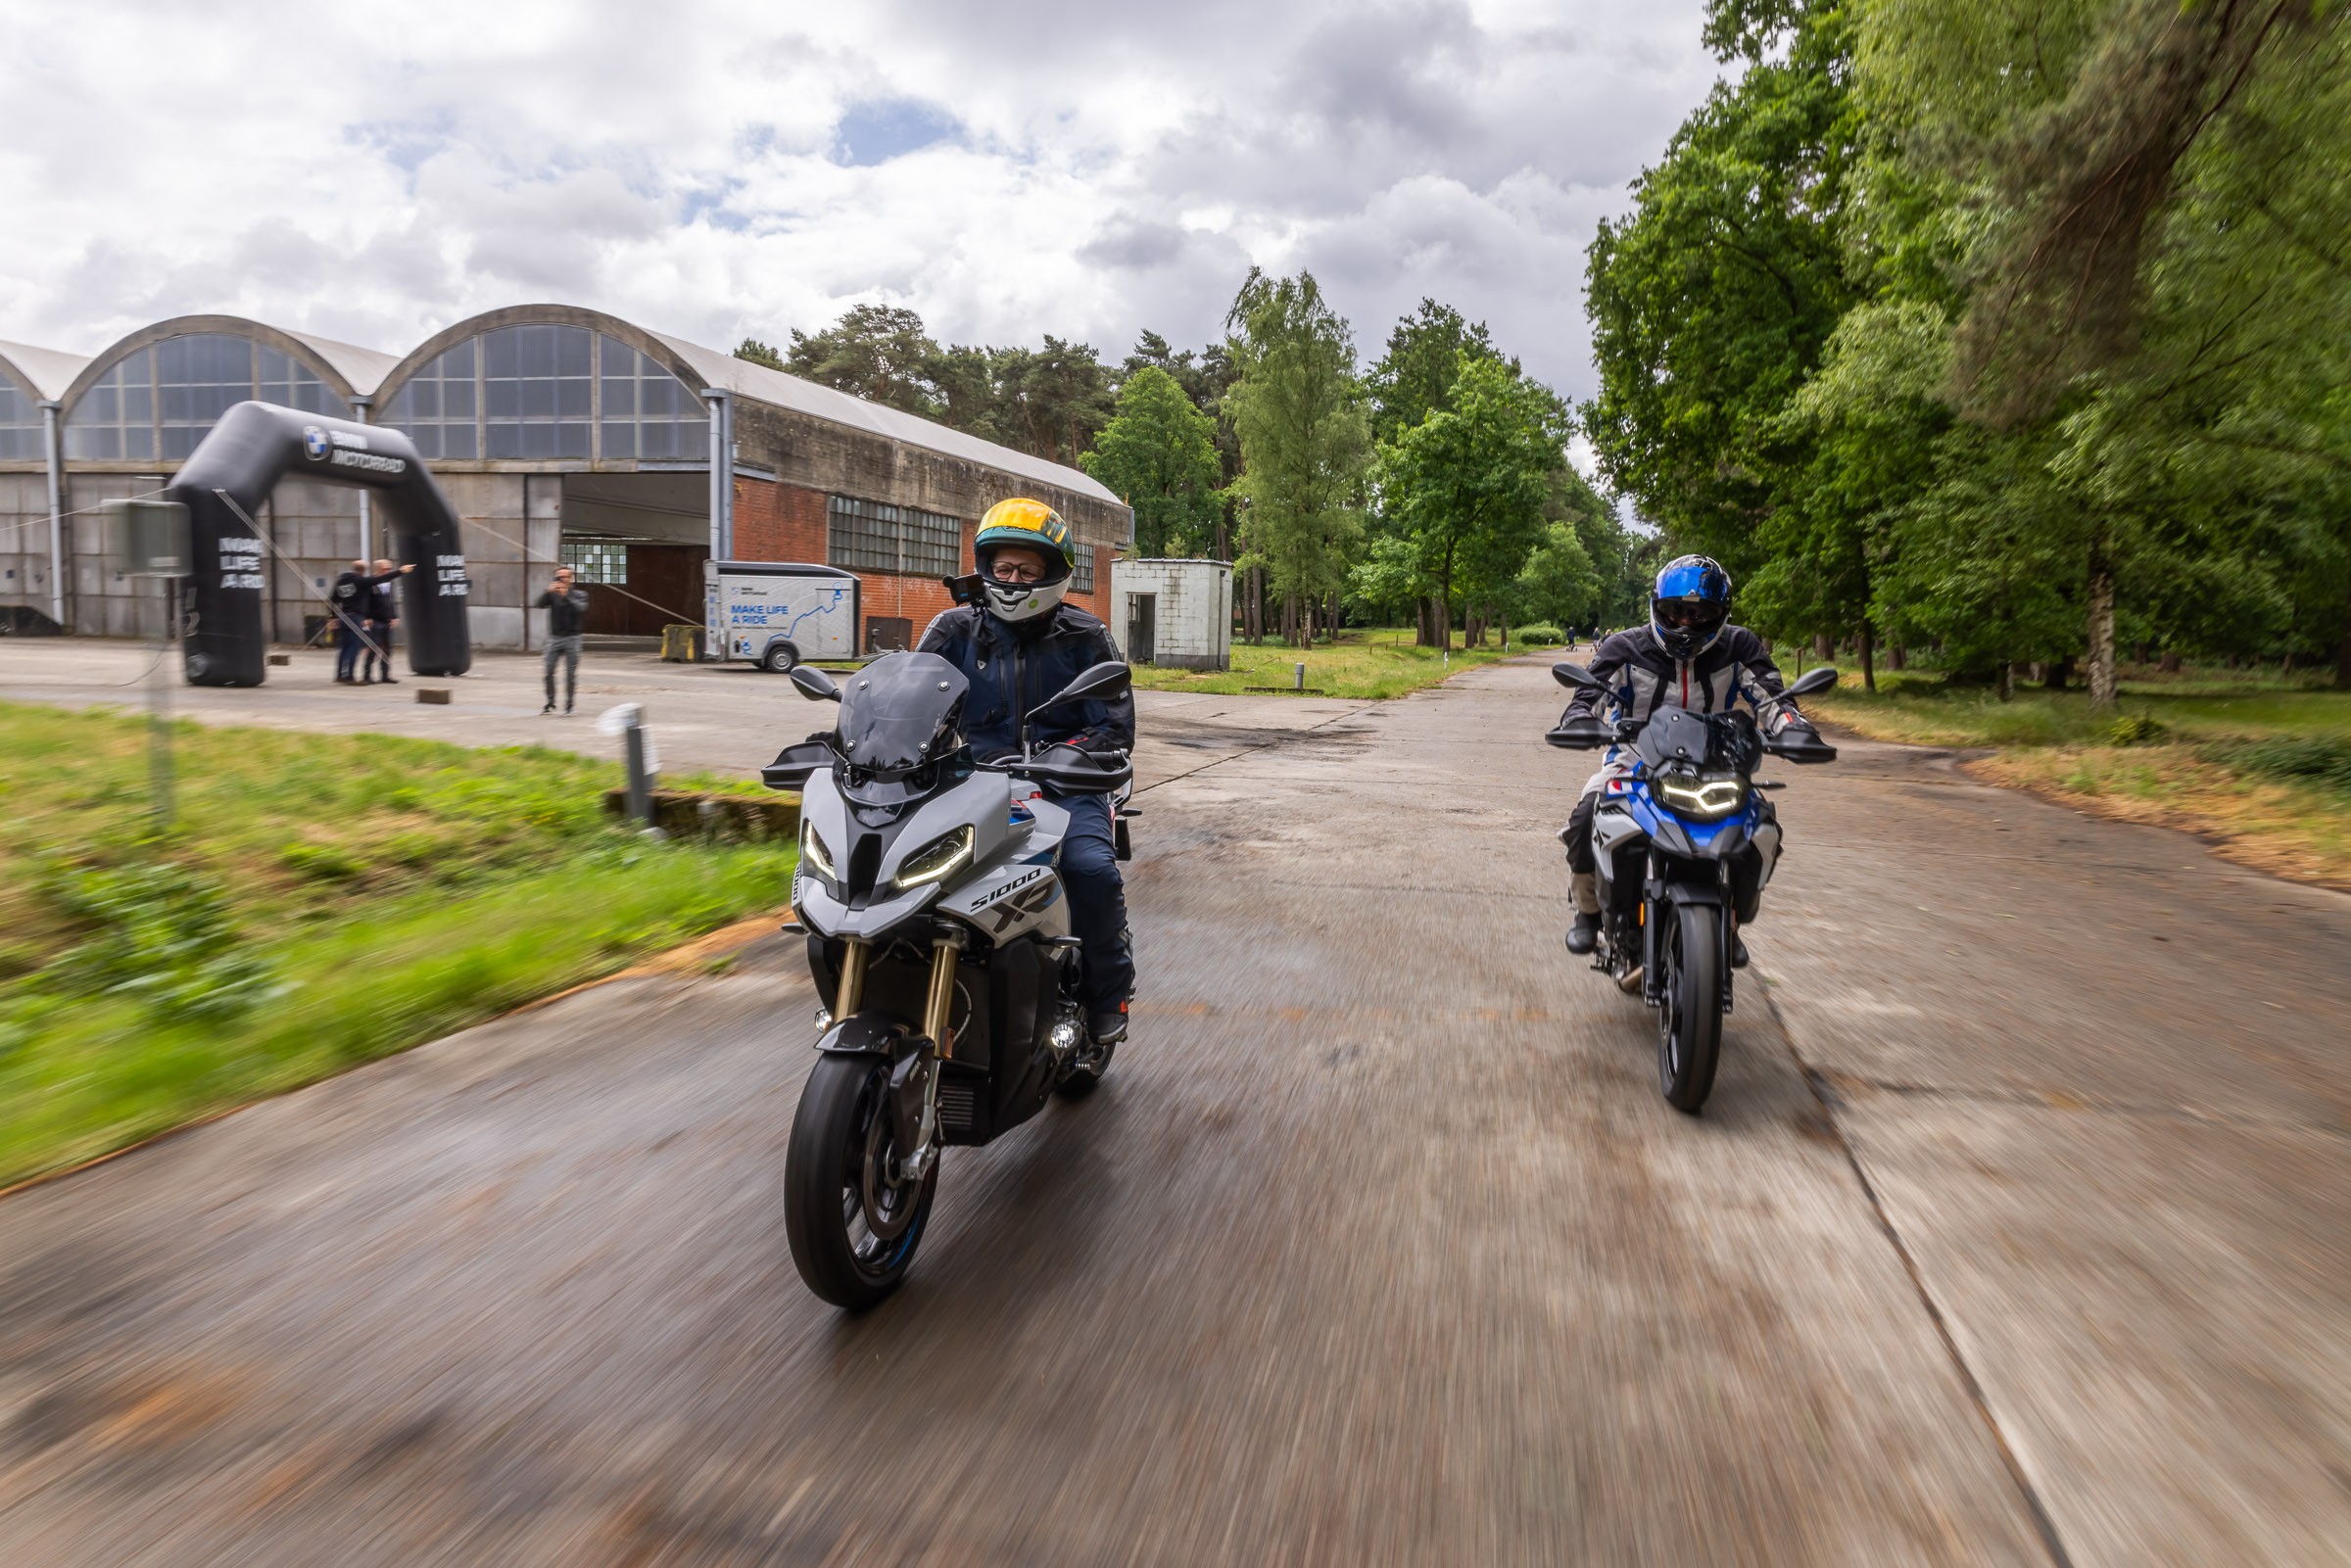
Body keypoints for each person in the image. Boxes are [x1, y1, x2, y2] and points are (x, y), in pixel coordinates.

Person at [917, 498, 1136, 1042]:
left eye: (1027, 571)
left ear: (1053, 574)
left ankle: (1107, 993)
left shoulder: (1086, 636)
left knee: (1090, 870)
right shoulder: (953, 630)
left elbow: (1113, 728)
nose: (1013, 580)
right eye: (1004, 567)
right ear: (985, 567)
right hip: (968, 783)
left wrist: (1061, 758)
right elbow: (910, 701)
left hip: (1066, 784)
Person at [1558, 555, 1820, 967]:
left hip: (1719, 762)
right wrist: (1579, 721)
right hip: (1634, 758)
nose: (1685, 622)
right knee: (1588, 813)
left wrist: (1794, 728)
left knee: (1761, 827)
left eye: (1700, 613)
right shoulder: (1624, 647)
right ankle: (1588, 911)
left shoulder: (1739, 646)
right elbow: (1588, 696)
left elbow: (1773, 697)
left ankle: (1730, 921)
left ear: (1722, 613)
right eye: (1675, 611)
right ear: (1656, 606)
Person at [537, 566, 589, 714]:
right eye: (559, 577)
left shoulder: (579, 594)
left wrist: (566, 596)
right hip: (555, 638)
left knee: (570, 674)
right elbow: (539, 604)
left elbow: (581, 608)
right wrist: (547, 592)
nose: (561, 580)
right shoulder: (553, 595)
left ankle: (569, 705)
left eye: (565, 577)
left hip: (573, 638)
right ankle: (550, 702)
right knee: (548, 670)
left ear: (571, 579)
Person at [360, 558, 414, 684]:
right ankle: (366, 676)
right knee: (373, 648)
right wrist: (367, 617)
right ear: (378, 569)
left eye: (389, 569)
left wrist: (394, 616)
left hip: (386, 620)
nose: (388, 571)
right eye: (386, 569)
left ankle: (385, 675)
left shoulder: (389, 583)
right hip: (375, 620)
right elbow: (365, 601)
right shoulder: (370, 582)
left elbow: (390, 601)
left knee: (387, 649)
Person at [328, 558, 372, 684]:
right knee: (354, 647)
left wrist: (332, 617)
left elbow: (332, 600)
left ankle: (340, 675)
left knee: (344, 646)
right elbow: (376, 581)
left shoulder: (341, 581)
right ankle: (350, 677)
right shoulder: (360, 581)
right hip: (356, 617)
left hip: (343, 616)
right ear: (364, 570)